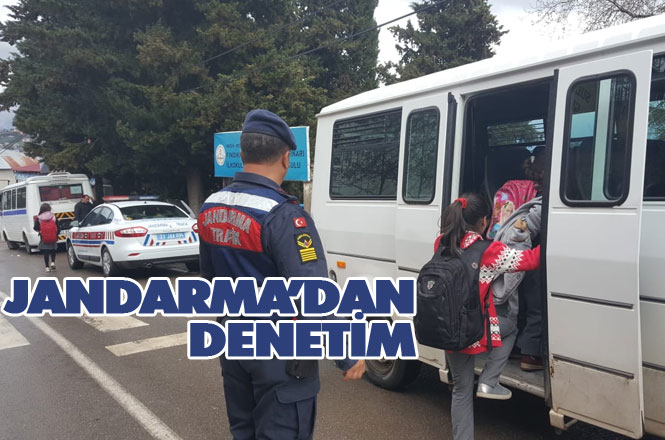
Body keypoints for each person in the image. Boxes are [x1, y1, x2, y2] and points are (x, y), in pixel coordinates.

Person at [198, 109, 366, 440]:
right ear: (286, 158)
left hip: (233, 341)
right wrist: (346, 354)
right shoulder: (285, 216)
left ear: (243, 154)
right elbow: (313, 293)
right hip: (280, 353)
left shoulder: (211, 206)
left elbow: (210, 278)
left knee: (244, 431)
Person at [435, 193, 540, 440]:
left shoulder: (441, 242)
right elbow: (530, 260)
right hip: (475, 329)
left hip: (448, 327)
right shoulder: (488, 250)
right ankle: (488, 382)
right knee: (511, 328)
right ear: (484, 221)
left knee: (461, 391)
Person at [34, 203, 60, 272]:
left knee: (46, 252)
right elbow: (58, 227)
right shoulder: (53, 216)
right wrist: (56, 234)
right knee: (53, 250)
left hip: (44, 237)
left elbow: (35, 228)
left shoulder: (39, 218)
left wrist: (40, 230)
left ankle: (47, 267)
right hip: (53, 236)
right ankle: (53, 262)